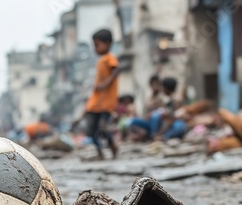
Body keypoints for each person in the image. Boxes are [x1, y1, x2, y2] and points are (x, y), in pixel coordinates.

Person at [75, 29, 119, 160]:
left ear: (108, 43)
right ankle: (100, 151)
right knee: (92, 130)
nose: (95, 48)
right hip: (96, 103)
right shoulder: (100, 61)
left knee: (103, 128)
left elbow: (116, 69)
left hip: (105, 103)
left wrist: (106, 83)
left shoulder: (109, 58)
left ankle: (112, 145)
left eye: (97, 45)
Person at [129, 77, 187, 141]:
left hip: (168, 125)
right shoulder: (159, 98)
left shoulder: (176, 100)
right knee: (134, 121)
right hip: (157, 125)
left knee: (180, 126)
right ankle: (153, 135)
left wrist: (166, 117)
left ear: (166, 88)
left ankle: (161, 137)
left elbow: (174, 117)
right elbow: (151, 114)